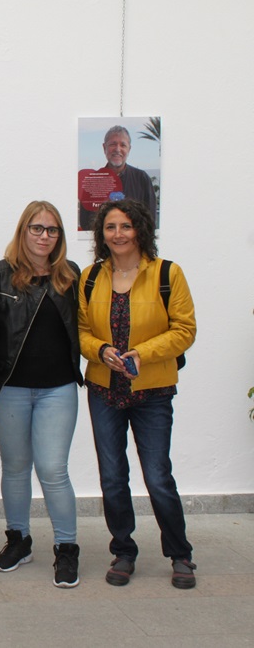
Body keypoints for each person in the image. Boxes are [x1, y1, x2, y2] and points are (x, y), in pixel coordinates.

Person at [78, 198, 197, 589]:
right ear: (102, 234)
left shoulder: (167, 274)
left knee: (158, 476)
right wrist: (100, 351)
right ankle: (123, 551)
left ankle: (180, 554)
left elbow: (184, 330)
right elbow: (80, 331)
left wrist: (141, 354)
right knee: (112, 477)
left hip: (154, 392)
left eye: (125, 226)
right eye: (110, 227)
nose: (118, 234)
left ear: (140, 229)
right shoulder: (91, 277)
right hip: (104, 390)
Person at [0, 201, 83, 588]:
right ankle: (18, 540)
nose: (44, 236)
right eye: (36, 228)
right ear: (23, 231)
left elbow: (85, 331)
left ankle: (66, 548)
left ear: (60, 236)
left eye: (52, 230)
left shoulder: (72, 277)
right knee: (16, 466)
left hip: (58, 390)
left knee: (53, 469)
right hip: (10, 390)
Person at [80, 125, 158, 232]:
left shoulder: (142, 178)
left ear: (129, 149)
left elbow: (151, 219)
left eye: (123, 145)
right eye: (112, 144)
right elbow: (85, 223)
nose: (117, 149)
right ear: (104, 147)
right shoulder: (92, 181)